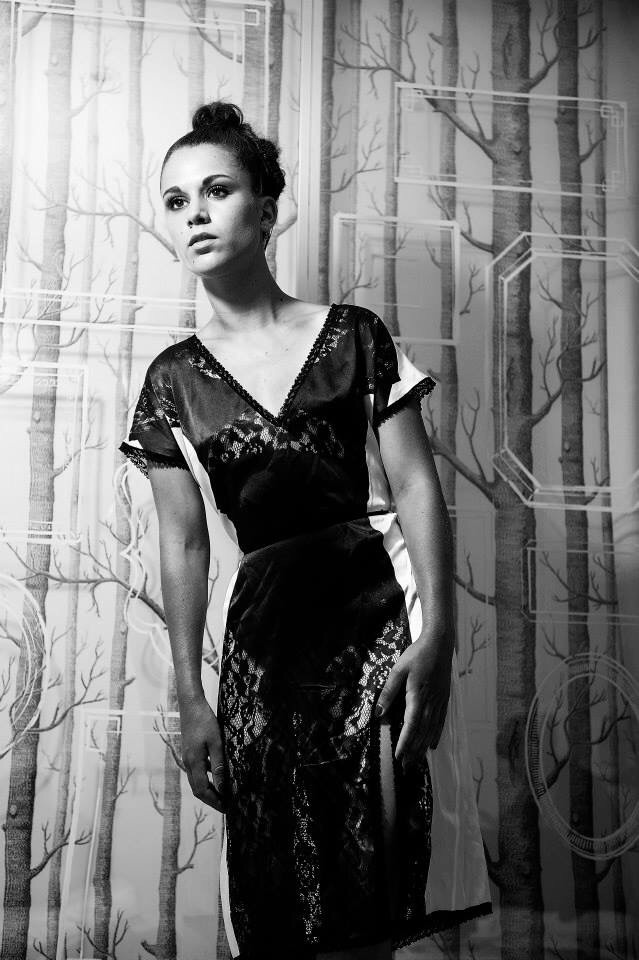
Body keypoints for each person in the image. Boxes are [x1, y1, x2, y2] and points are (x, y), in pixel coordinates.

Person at [119, 101, 492, 960]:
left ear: (265, 209)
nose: (195, 213)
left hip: (374, 623)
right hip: (263, 648)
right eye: (175, 201)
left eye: (217, 191)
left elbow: (416, 485)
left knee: (377, 884)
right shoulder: (172, 379)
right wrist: (189, 695)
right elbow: (183, 544)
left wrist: (437, 636)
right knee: (282, 895)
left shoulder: (354, 336)